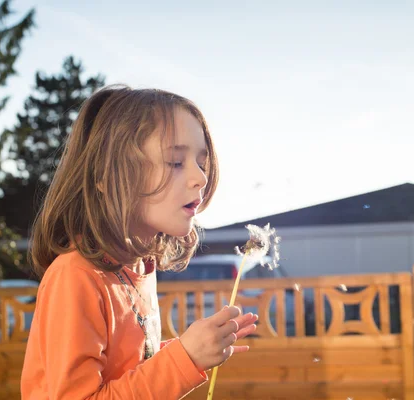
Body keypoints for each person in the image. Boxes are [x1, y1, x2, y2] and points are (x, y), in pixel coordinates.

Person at [20, 85, 258, 399]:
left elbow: (126, 369)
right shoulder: (76, 277)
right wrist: (184, 359)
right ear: (107, 176)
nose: (200, 177)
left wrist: (192, 349)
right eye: (175, 162)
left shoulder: (139, 268)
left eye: (202, 162)